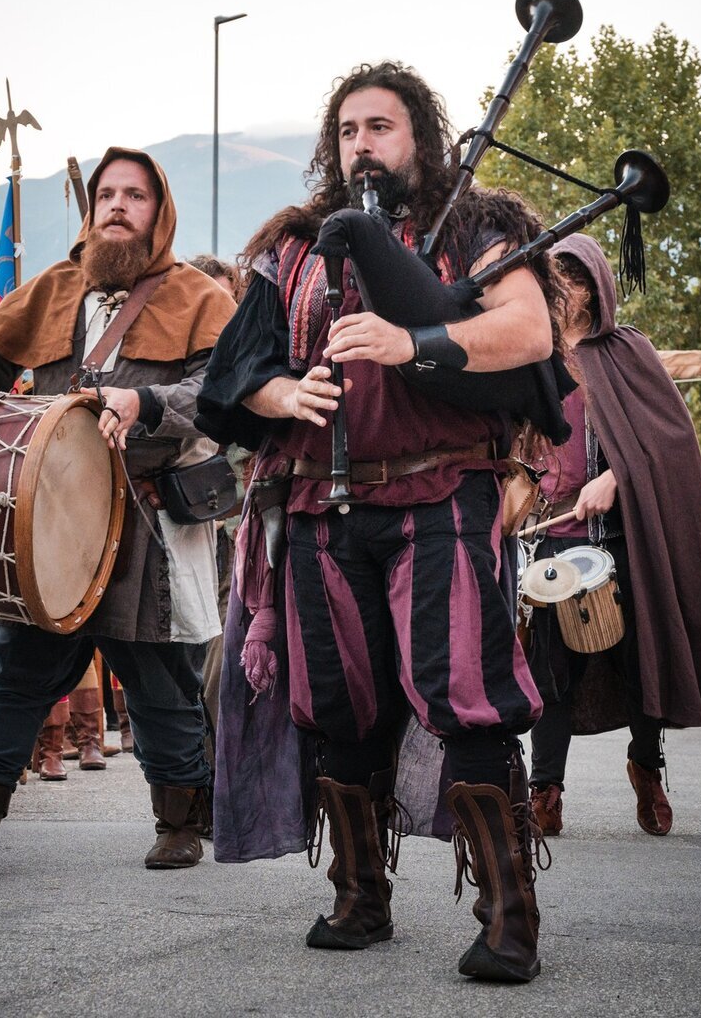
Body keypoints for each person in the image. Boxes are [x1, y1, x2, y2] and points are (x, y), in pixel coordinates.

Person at [197, 61, 564, 983]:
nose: (362, 144)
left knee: (468, 695)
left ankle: (508, 914)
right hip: (320, 508)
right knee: (337, 709)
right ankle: (359, 896)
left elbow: (527, 331)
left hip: (441, 496)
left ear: (419, 139)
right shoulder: (292, 248)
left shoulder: (475, 228)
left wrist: (413, 341)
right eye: (347, 130)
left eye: (380, 127)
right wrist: (285, 395)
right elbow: (238, 376)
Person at [0, 147, 234, 876]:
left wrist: (145, 402)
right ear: (90, 211)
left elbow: (220, 395)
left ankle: (179, 824)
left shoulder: (196, 296)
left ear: (160, 212)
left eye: (135, 195)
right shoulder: (51, 289)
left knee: (159, 683)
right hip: (46, 520)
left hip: (147, 515)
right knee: (13, 676)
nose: (117, 205)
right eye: (106, 194)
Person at [522, 234, 701, 838]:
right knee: (552, 667)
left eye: (578, 279)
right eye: (559, 279)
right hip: (554, 538)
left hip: (624, 539)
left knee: (641, 661)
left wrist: (616, 476)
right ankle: (545, 788)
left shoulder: (625, 351)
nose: (568, 291)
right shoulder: (532, 355)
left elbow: (671, 442)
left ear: (598, 287)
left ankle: (647, 768)